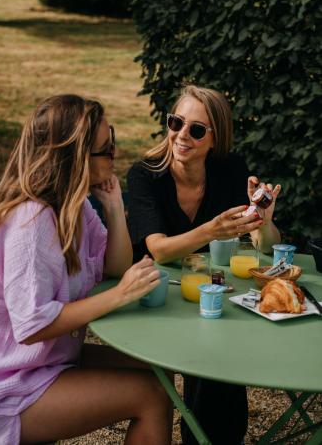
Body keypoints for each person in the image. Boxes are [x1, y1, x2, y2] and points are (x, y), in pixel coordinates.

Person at [0, 94, 173, 445]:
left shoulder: (74, 206)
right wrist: (120, 296)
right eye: (105, 148)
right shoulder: (31, 222)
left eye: (113, 140)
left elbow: (115, 265)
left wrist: (115, 206)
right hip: (6, 385)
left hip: (46, 362)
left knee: (156, 370)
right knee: (150, 395)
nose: (114, 153)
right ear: (73, 158)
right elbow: (31, 325)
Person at [127, 84, 281, 445]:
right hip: (154, 298)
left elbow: (265, 246)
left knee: (217, 366)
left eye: (196, 130)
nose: (182, 135)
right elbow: (159, 250)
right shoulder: (145, 174)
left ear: (215, 138)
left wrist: (265, 219)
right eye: (176, 122)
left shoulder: (229, 170)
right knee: (209, 355)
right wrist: (211, 230)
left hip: (209, 296)